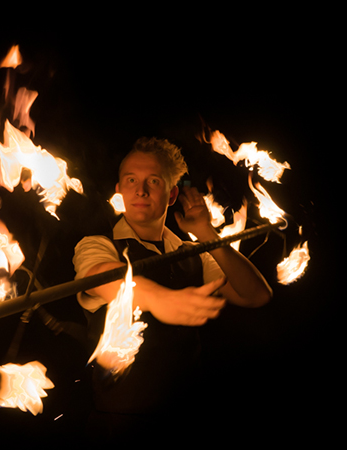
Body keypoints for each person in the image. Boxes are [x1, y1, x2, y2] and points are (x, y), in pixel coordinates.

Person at [73, 137, 272, 439]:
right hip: (120, 428)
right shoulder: (98, 245)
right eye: (131, 180)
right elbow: (101, 276)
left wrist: (206, 233)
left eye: (153, 181)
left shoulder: (193, 251)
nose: (140, 190)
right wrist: (159, 299)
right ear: (120, 190)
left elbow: (255, 295)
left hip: (188, 419)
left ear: (171, 194)